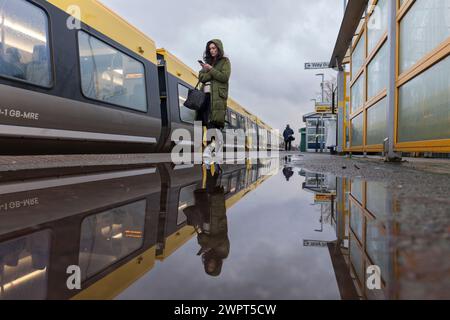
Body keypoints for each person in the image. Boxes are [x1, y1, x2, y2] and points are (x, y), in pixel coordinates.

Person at [184, 164, 229, 277]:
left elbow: (202, 238)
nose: (210, 264)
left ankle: (211, 169)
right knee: (213, 192)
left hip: (204, 218)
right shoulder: (224, 253)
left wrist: (203, 241)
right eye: (212, 267)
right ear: (218, 265)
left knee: (203, 192)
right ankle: (213, 169)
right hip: (216, 217)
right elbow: (221, 239)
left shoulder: (207, 251)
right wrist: (206, 243)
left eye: (208, 266)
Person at [197, 39, 231, 159]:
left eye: (214, 48)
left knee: (213, 125)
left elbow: (224, 77)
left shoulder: (225, 62)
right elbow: (201, 77)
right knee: (207, 124)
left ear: (219, 48)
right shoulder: (207, 62)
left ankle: (214, 154)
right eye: (210, 48)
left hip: (216, 98)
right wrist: (209, 70)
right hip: (205, 98)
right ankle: (214, 153)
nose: (212, 50)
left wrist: (210, 69)